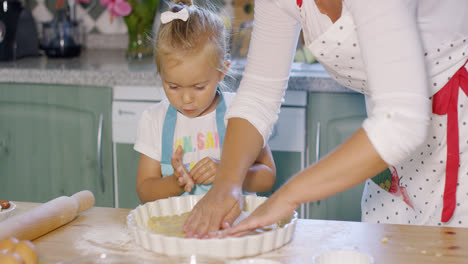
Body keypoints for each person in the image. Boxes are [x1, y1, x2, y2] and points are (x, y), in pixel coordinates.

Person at [181, 0, 468, 238]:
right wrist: (226, 186)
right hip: (393, 149)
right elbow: (258, 94)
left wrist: (287, 196)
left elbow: (401, 123)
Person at [133, 0, 276, 204]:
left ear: (222, 71)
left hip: (231, 230)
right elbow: (145, 190)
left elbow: (267, 176)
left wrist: (227, 173)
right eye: (173, 86)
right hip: (178, 232)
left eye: (199, 87)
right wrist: (176, 182)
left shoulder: (238, 112)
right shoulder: (154, 120)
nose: (186, 99)